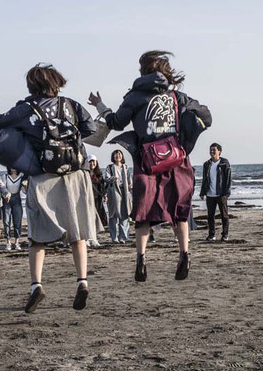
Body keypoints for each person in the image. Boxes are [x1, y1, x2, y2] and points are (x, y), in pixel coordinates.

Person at [0, 63, 97, 313]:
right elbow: (91, 129)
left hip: (43, 177)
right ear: (57, 82)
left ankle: (37, 286)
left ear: (31, 85)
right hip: (75, 174)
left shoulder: (26, 109)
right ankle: (82, 281)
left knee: (37, 237)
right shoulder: (71, 105)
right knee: (77, 233)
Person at [89, 50, 210, 282]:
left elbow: (116, 122)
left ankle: (141, 258)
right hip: (176, 159)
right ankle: (184, 253)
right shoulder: (178, 96)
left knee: (143, 214)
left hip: (148, 161)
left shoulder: (134, 97)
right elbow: (206, 115)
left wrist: (100, 105)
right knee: (180, 212)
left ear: (143, 71)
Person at [199, 142, 232, 241]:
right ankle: (211, 235)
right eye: (211, 150)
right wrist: (202, 192)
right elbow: (204, 178)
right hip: (210, 194)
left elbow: (228, 178)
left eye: (214, 150)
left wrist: (227, 192)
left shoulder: (224, 163)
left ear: (219, 151)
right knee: (210, 216)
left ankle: (225, 235)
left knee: (224, 215)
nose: (212, 152)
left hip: (221, 194)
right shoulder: (207, 164)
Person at [104, 149, 132, 243]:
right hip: (113, 191)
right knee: (113, 214)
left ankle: (123, 237)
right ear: (113, 156)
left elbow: (129, 182)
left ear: (122, 156)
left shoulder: (126, 167)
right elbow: (106, 179)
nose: (118, 156)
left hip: (124, 191)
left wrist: (130, 189)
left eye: (119, 154)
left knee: (124, 214)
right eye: (115, 154)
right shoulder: (110, 167)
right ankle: (114, 237)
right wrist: (113, 178)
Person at [2, 167, 25, 251]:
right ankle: (8, 242)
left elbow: (24, 191)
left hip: (17, 199)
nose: (13, 168)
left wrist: (25, 186)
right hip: (7, 200)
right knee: (6, 221)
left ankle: (16, 242)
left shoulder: (21, 176)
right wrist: (6, 193)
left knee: (17, 222)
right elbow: (3, 187)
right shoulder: (5, 176)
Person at [87, 155, 107, 247]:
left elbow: (102, 186)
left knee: (96, 219)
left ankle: (94, 238)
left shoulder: (99, 174)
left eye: (94, 161)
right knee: (88, 219)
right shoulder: (85, 173)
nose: (92, 164)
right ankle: (87, 239)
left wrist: (104, 195)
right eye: (90, 161)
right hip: (87, 200)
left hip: (97, 199)